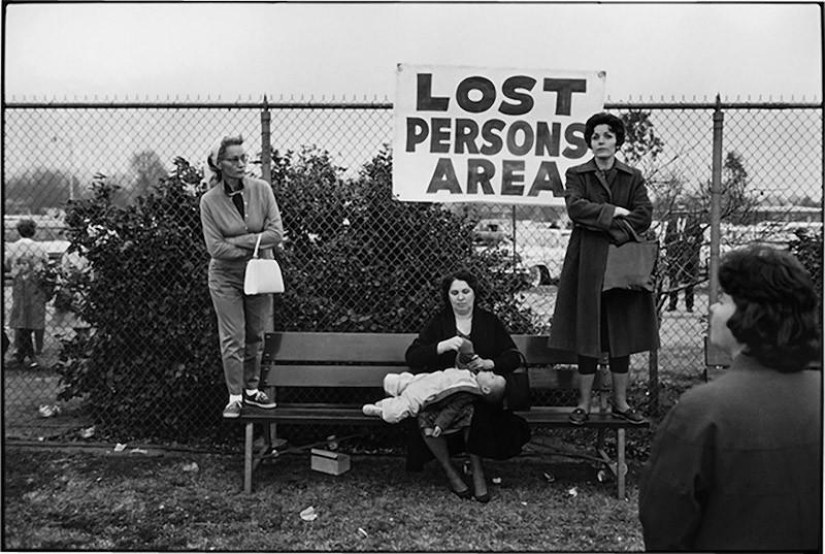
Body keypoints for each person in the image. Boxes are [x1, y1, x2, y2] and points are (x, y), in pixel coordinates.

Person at [638, 245, 821, 551]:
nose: (712, 308)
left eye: (722, 298)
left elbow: (664, 523)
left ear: (750, 314)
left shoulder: (701, 411)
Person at [548, 112, 658, 426]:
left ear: (617, 141)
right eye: (595, 137)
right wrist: (614, 212)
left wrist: (610, 226)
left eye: (607, 136)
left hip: (622, 263)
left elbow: (644, 215)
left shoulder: (633, 176)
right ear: (589, 143)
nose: (601, 141)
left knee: (620, 333)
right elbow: (575, 208)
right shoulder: (576, 173)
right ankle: (583, 405)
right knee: (588, 333)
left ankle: (621, 404)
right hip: (587, 263)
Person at [405, 269, 530, 502]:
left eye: (465, 291)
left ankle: (478, 470)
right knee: (425, 416)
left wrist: (489, 362)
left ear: (474, 294)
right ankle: (450, 471)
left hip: (478, 393)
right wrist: (441, 346)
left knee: (476, 411)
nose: (460, 297)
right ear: (448, 296)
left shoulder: (489, 321)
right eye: (455, 293)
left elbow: (512, 356)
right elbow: (412, 356)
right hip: (446, 391)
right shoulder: (440, 323)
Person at [199, 135, 284, 418]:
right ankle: (234, 397)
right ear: (219, 164)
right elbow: (215, 248)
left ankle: (251, 390)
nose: (241, 164)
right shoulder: (209, 201)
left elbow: (276, 234)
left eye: (243, 158)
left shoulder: (262, 190)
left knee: (255, 335)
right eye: (233, 159)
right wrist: (254, 243)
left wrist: (238, 240)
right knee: (233, 337)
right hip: (225, 278)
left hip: (258, 274)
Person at [361, 365, 507, 430]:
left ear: (486, 389)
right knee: (401, 381)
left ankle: (382, 410)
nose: (490, 372)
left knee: (406, 406)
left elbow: (452, 409)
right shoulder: (471, 374)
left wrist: (440, 424)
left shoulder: (468, 392)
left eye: (492, 376)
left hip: (426, 394)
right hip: (426, 380)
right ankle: (392, 391)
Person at [4, 218, 50, 369]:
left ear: (18, 231)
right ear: (34, 231)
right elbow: (45, 265)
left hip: (19, 289)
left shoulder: (12, 248)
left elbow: (7, 264)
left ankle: (23, 353)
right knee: (33, 319)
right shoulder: (39, 248)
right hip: (36, 289)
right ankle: (31, 353)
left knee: (21, 319)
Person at [664, 209, 703, 312]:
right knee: (673, 281)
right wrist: (675, 238)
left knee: (688, 282)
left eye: (684, 209)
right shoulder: (671, 223)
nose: (681, 211)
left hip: (688, 256)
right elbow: (666, 239)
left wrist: (693, 240)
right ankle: (672, 305)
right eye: (679, 209)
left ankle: (689, 306)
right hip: (675, 256)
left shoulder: (694, 223)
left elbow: (700, 238)